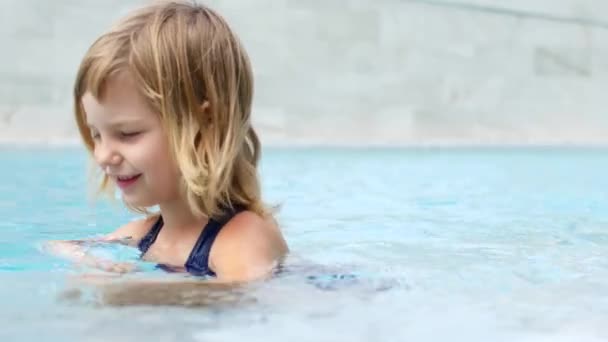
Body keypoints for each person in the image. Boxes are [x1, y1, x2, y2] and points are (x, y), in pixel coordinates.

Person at [46, 0, 289, 284]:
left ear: (204, 124)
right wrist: (92, 262)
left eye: (127, 133)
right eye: (97, 135)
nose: (102, 155)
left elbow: (240, 302)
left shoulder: (243, 237)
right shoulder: (146, 233)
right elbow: (60, 246)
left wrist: (129, 293)